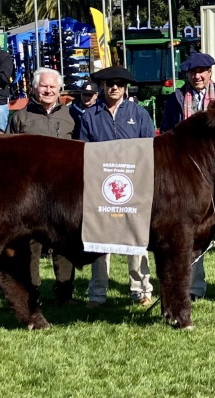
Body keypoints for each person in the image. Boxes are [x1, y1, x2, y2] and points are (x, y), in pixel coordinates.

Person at [161, 52, 215, 303]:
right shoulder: (176, 99)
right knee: (191, 233)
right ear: (186, 75)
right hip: (189, 180)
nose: (197, 76)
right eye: (192, 72)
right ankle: (194, 286)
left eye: (202, 71)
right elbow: (167, 135)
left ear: (210, 72)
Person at [80, 66, 157, 307]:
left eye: (119, 84)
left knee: (137, 239)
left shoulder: (139, 113)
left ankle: (141, 290)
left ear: (125, 88)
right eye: (110, 83)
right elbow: (83, 151)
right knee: (99, 240)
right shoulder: (89, 115)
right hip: (100, 187)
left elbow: (150, 149)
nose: (115, 87)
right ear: (102, 86)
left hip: (134, 186)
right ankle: (97, 293)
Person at [7, 68, 79, 305]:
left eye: (53, 87)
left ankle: (65, 293)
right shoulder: (20, 117)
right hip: (31, 193)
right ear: (35, 88)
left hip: (63, 192)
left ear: (60, 90)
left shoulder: (72, 116)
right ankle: (31, 293)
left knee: (65, 242)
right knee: (30, 245)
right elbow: (10, 156)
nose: (48, 90)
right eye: (44, 86)